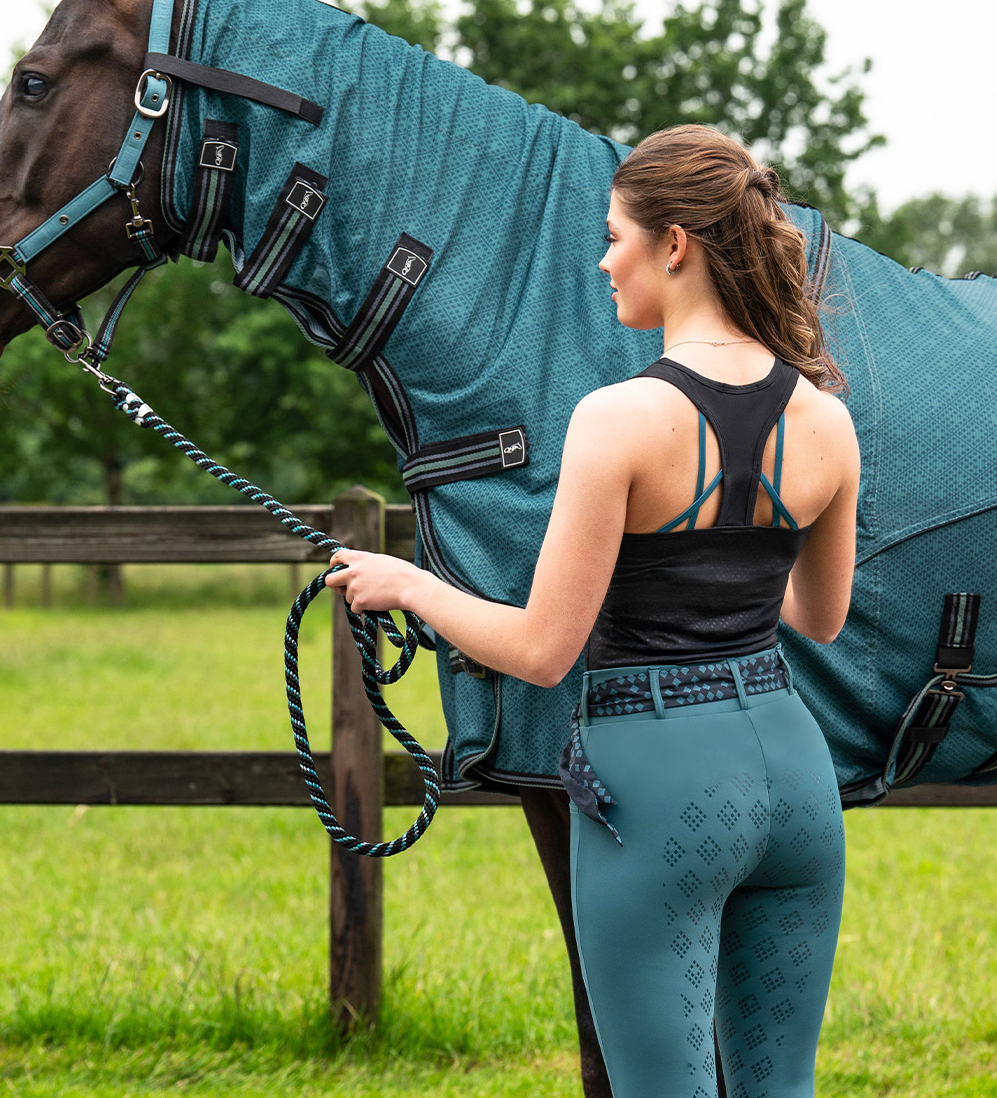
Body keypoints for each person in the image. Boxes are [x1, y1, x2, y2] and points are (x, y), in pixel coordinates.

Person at [325, 123, 859, 1098]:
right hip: (793, 778)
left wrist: (408, 583)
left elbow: (539, 647)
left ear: (674, 244)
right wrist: (718, 566)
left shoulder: (615, 419)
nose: (602, 257)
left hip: (659, 788)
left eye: (615, 234)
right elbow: (817, 616)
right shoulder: (823, 419)